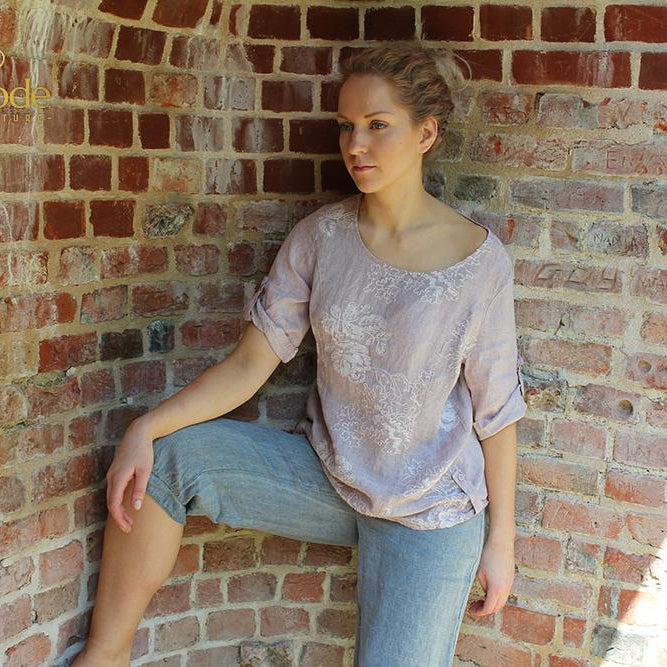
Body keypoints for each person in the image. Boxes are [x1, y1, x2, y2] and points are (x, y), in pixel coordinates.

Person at [74, 42, 527, 667]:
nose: (356, 145)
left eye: (377, 126)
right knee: (168, 460)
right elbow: (249, 365)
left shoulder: (478, 262)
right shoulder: (321, 236)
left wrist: (501, 541)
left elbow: (498, 412)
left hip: (429, 510)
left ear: (426, 134)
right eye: (345, 126)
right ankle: (102, 657)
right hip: (328, 478)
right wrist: (145, 428)